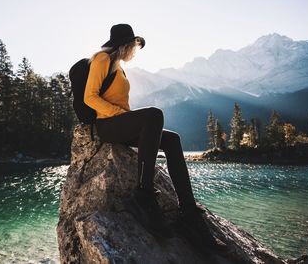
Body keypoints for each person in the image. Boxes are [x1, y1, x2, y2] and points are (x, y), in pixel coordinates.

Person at [84, 23, 218, 249]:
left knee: (172, 140)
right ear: (125, 45)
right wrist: (120, 115)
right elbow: (90, 97)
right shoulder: (101, 60)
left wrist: (127, 118)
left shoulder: (118, 66)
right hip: (107, 125)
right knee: (154, 115)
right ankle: (143, 194)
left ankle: (188, 210)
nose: (135, 51)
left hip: (119, 123)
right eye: (134, 46)